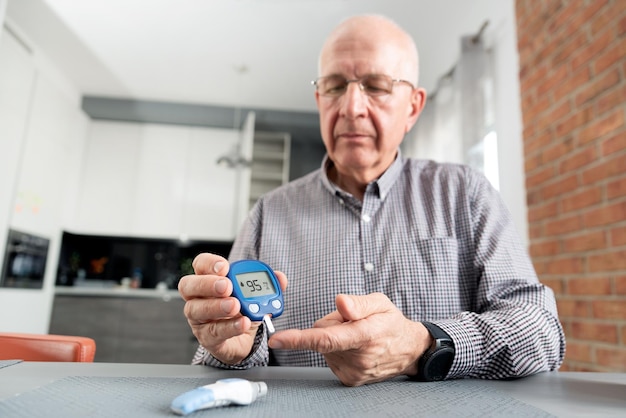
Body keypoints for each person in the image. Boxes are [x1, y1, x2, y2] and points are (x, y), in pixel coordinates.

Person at [178, 14, 565, 387]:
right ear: (319, 99)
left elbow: (541, 331)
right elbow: (229, 355)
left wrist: (423, 345)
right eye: (334, 86)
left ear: (412, 106)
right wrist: (231, 353)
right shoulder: (269, 214)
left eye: (376, 85)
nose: (350, 107)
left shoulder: (465, 193)